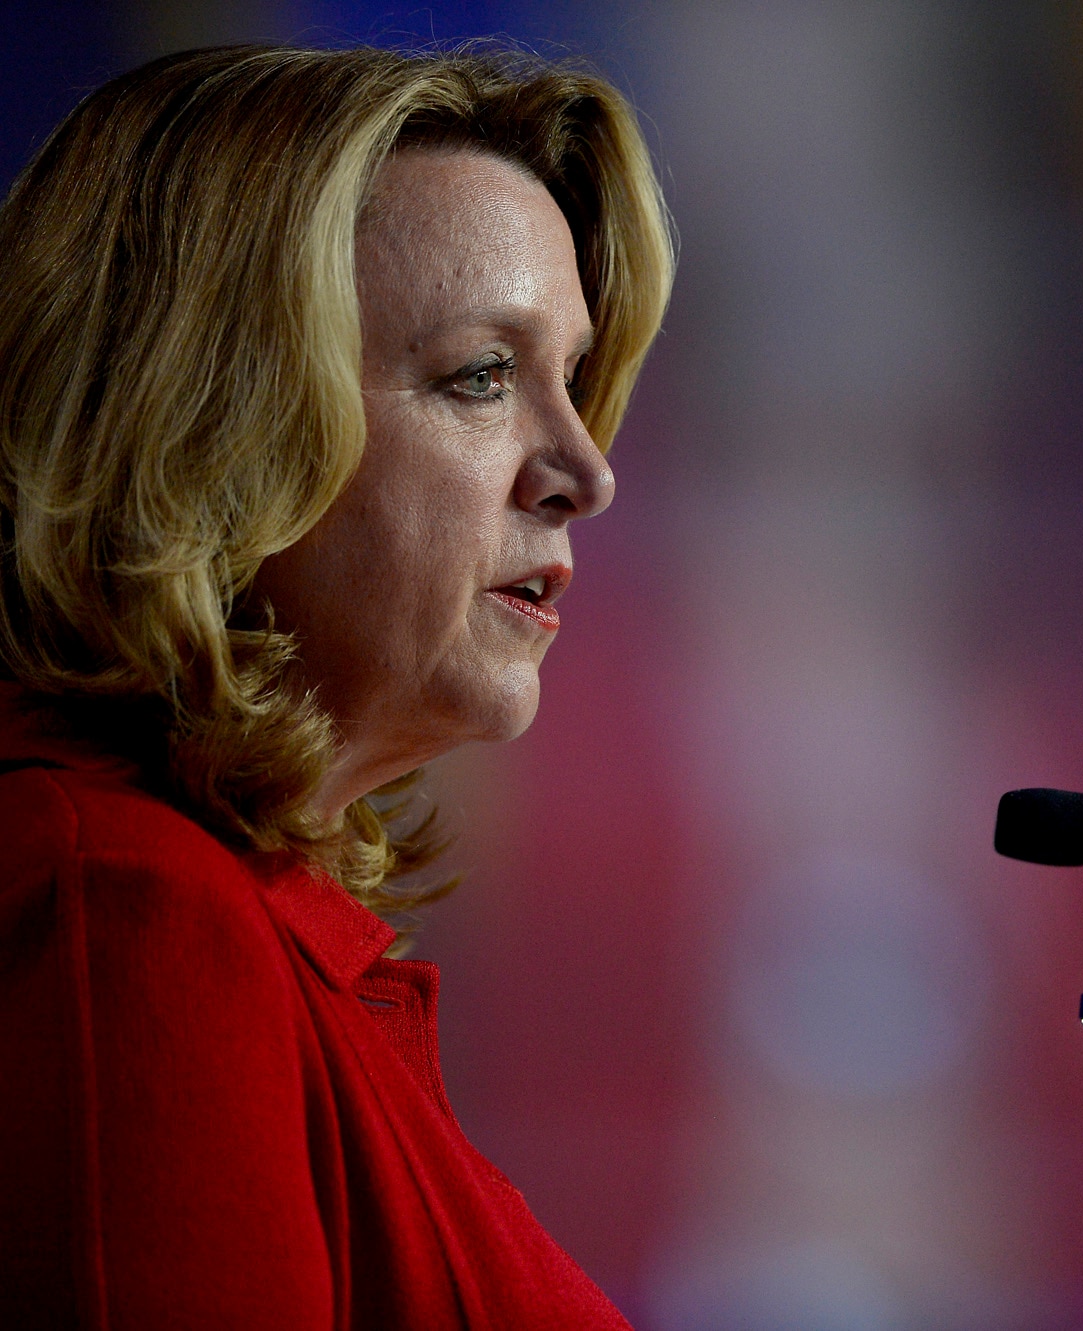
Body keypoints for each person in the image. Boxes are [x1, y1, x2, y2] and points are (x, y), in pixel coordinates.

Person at [0, 44, 673, 1327]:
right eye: (482, 376)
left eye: (573, 383)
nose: (583, 469)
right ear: (210, 426)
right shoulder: (121, 911)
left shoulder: (231, 918)